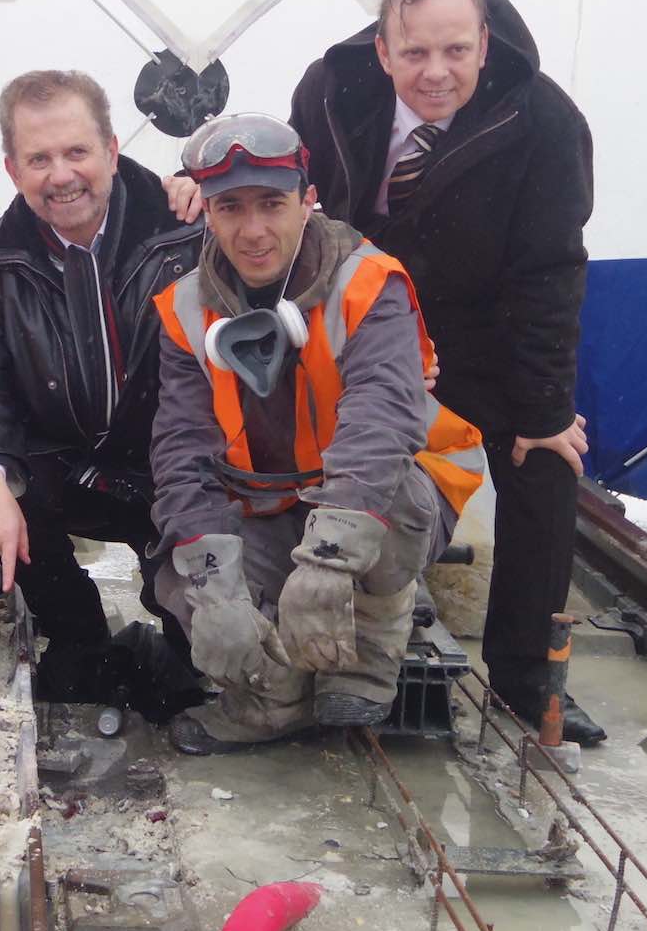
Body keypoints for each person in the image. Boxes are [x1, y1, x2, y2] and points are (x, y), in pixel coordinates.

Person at [289, 0, 605, 745]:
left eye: (457, 52)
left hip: (480, 324)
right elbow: (295, 203)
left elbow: (548, 274)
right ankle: (302, 610)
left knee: (547, 460)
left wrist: (540, 411)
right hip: (361, 312)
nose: (437, 73)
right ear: (384, 48)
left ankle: (526, 676)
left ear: (485, 44)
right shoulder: (331, 91)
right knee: (301, 432)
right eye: (417, 53)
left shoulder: (543, 122)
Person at [150, 113, 486, 755]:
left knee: (388, 501)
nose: (252, 232)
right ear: (208, 214)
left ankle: (372, 642)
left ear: (308, 202)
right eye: (230, 208)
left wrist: (326, 558)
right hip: (271, 502)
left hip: (387, 494)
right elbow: (181, 452)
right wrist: (212, 581)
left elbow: (382, 418)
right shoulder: (184, 310)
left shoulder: (369, 283)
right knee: (182, 576)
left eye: (272, 204)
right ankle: (275, 698)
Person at [0, 70, 205, 704]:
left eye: (76, 152)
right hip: (66, 465)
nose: (61, 175)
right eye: (39, 159)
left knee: (201, 668)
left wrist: (217, 191)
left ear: (113, 150)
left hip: (171, 466)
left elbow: (290, 229)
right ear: (13, 170)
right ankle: (78, 635)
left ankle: (179, 637)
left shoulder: (191, 230)